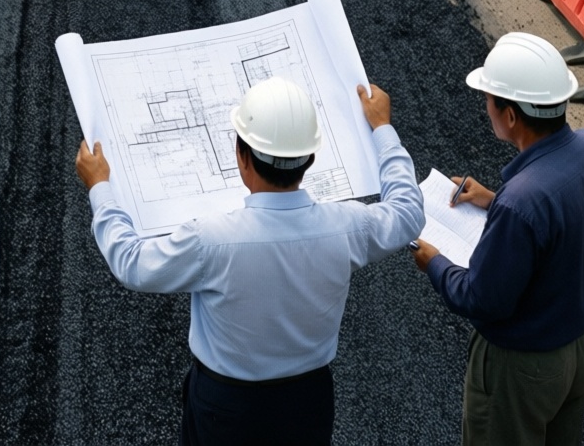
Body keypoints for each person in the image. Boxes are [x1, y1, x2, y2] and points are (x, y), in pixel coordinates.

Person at [78, 74, 421, 446]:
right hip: (309, 404)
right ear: (310, 158)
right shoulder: (348, 226)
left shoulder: (208, 239)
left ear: (242, 156)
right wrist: (383, 128)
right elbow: (406, 213)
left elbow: (131, 261)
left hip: (226, 410)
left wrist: (101, 188)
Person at [412, 33, 584, 446]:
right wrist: (493, 201)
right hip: (579, 350)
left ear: (510, 116)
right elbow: (572, 224)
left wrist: (434, 262)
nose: (486, 107)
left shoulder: (522, 202)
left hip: (521, 371)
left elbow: (482, 299)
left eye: (490, 99)